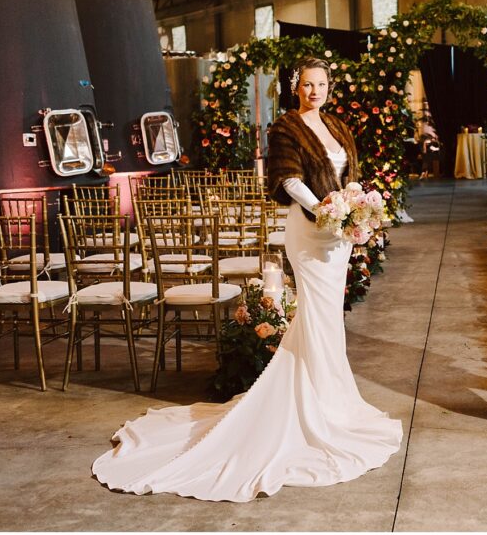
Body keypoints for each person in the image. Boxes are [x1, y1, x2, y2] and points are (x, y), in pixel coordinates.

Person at [91, 57, 402, 501]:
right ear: (297, 88)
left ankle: (333, 402)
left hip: (339, 237)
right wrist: (326, 210)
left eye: (322, 84)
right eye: (309, 85)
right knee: (316, 316)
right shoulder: (286, 129)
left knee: (330, 319)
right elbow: (289, 180)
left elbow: (350, 174)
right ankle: (314, 411)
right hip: (311, 233)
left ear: (330, 86)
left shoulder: (337, 124)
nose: (316, 91)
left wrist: (353, 209)